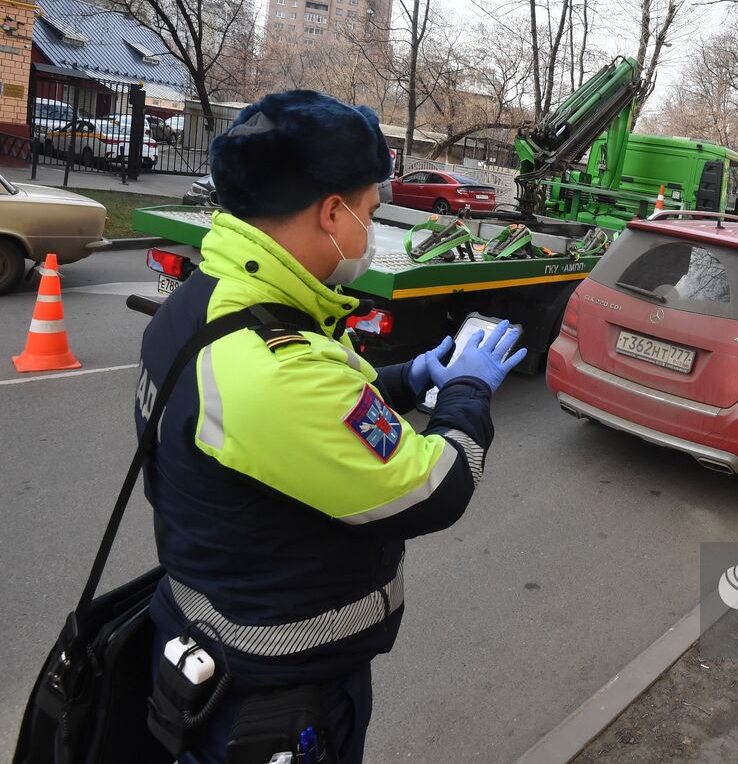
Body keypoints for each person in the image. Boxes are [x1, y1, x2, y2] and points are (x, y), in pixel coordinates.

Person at [135, 90, 525, 763]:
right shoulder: (276, 367)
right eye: (371, 212)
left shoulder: (204, 303)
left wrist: (406, 379)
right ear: (332, 212)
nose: (371, 232)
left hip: (204, 634)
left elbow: (299, 432)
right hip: (272, 690)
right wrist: (467, 387)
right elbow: (434, 487)